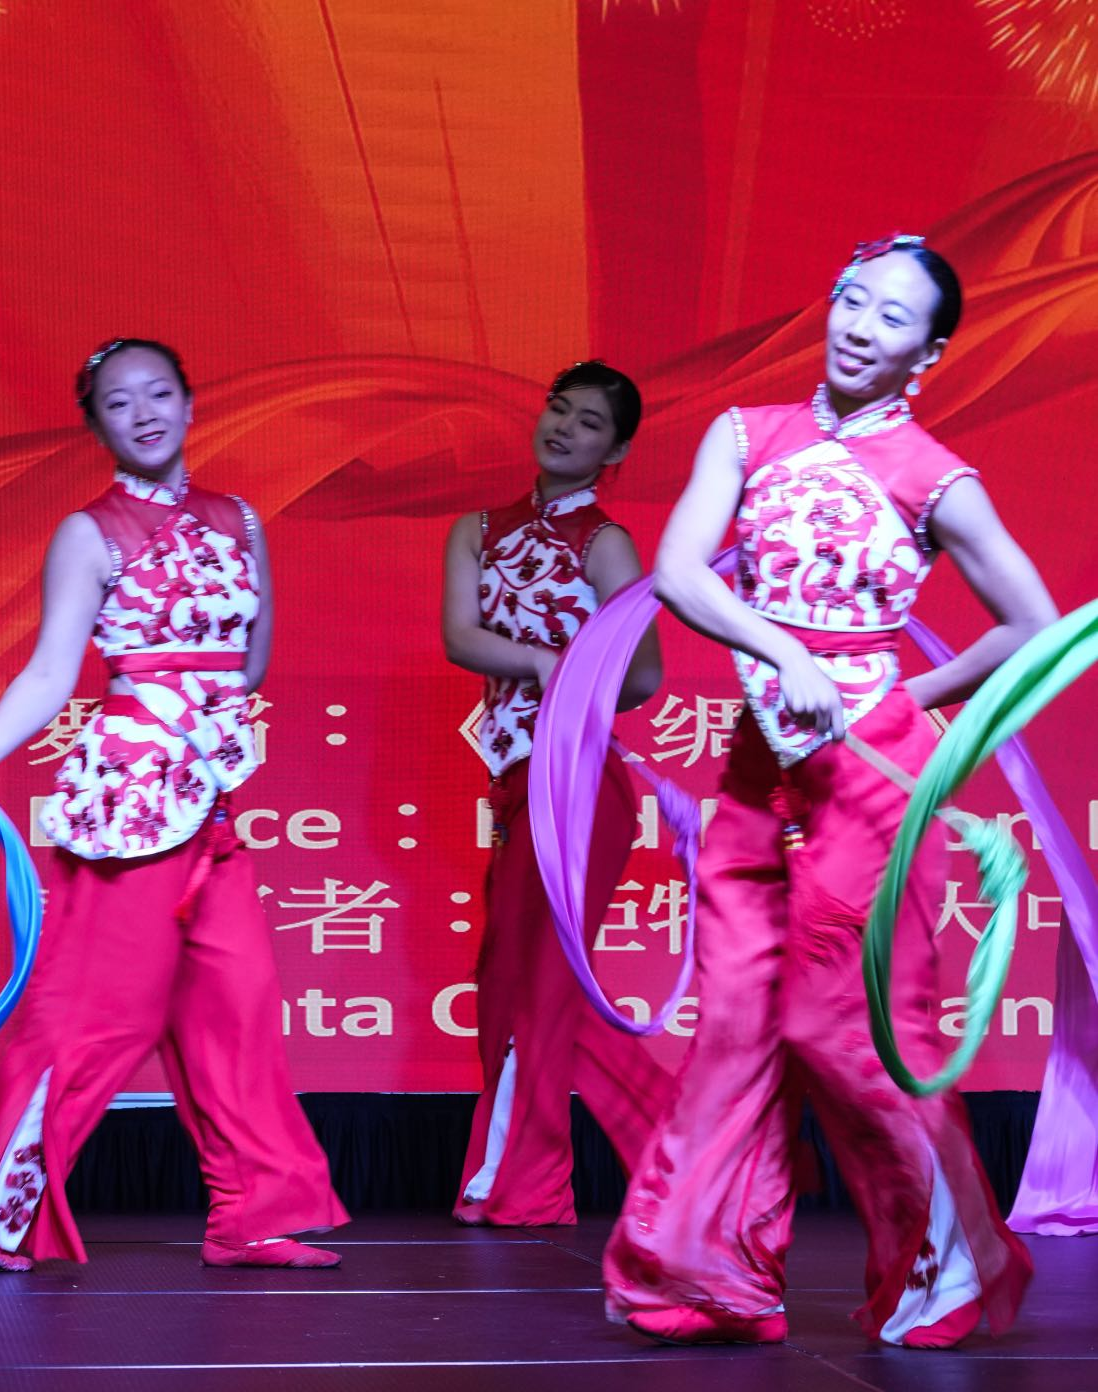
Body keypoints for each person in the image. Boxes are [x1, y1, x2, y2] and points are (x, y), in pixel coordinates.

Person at [603, 236, 1053, 1346]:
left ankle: (955, 1263)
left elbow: (1033, 625)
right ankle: (708, 1274)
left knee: (842, 1022)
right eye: (851, 300)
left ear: (928, 354)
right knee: (736, 1021)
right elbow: (680, 571)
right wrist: (782, 651)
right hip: (760, 765)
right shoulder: (745, 434)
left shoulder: (935, 476)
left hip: (868, 775)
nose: (859, 326)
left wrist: (908, 697)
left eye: (892, 317)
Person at [0, 338, 347, 1271]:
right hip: (132, 803)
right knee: (100, 1015)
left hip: (211, 797)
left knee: (236, 1006)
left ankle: (251, 1216)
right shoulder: (88, 532)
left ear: (190, 404)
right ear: (97, 425)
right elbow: (50, 671)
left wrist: (199, 720)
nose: (144, 414)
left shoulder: (239, 518)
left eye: (159, 394)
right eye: (119, 402)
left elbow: (250, 661)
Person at [441, 359, 671, 1227]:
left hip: (579, 777)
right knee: (507, 978)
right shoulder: (477, 530)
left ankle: (522, 1183)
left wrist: (568, 680)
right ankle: (689, 1153)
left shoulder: (605, 543)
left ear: (617, 451)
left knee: (540, 985)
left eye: (589, 423)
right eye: (559, 409)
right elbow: (460, 637)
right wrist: (543, 659)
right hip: (514, 779)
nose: (565, 429)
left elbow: (643, 675)